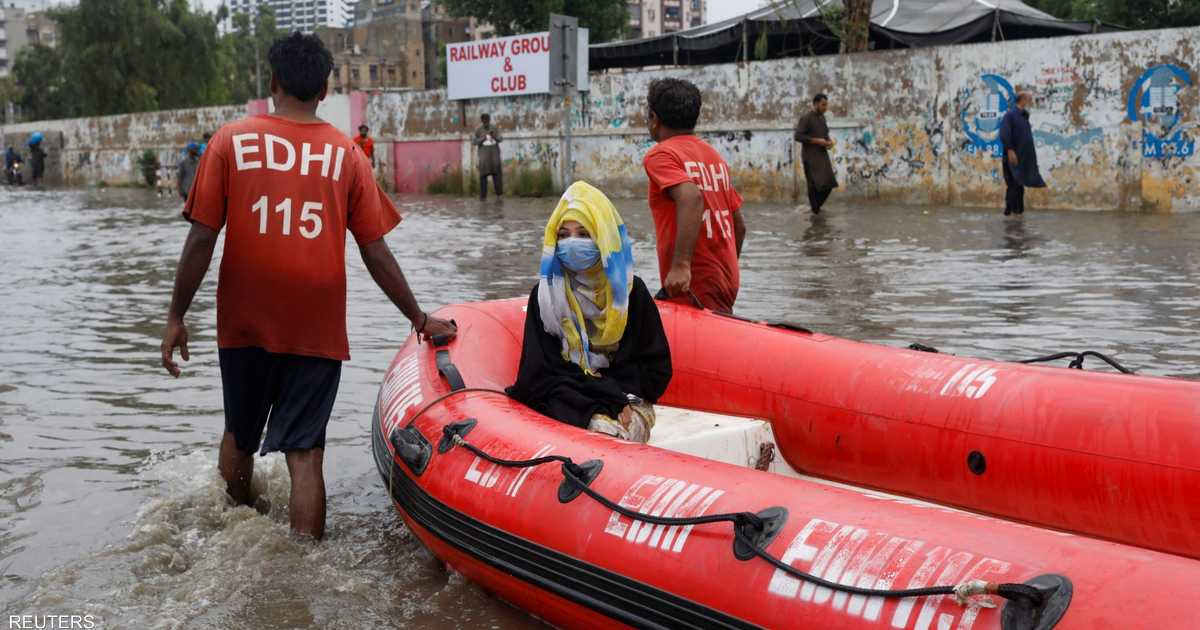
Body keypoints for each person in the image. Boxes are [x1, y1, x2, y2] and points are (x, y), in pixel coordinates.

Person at [159, 32, 456, 540]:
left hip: (245, 317)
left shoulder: (231, 140)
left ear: (272, 82)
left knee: (239, 433)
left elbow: (202, 237)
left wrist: (175, 316)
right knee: (305, 452)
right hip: (315, 323)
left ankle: (235, 537)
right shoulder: (347, 156)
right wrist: (418, 318)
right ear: (324, 90)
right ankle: (304, 573)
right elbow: (375, 250)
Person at [507, 181, 671, 442]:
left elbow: (655, 370)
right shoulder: (546, 294)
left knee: (616, 435)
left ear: (603, 237)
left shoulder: (630, 292)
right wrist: (598, 395)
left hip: (627, 398)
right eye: (563, 235)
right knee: (596, 430)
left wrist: (618, 397)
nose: (572, 244)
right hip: (568, 398)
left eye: (584, 234)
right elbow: (537, 374)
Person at [643, 78, 745, 314]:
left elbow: (691, 197)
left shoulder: (661, 155)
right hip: (726, 279)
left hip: (690, 283)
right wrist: (725, 269)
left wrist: (681, 266)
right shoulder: (713, 156)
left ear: (654, 119)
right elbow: (739, 227)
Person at [998, 91, 1046, 216]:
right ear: (1023, 100)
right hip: (1012, 157)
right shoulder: (1010, 115)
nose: (1030, 101)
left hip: (1023, 158)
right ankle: (1014, 214)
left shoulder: (1024, 116)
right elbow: (1004, 133)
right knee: (1014, 185)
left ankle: (1012, 214)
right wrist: (1010, 150)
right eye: (1029, 98)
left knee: (1019, 185)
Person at [794, 94, 838, 214]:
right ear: (815, 104)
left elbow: (825, 134)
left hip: (822, 155)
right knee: (813, 186)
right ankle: (815, 212)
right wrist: (816, 141)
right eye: (823, 105)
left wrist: (828, 142)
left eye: (826, 105)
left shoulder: (822, 118)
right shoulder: (806, 118)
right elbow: (798, 136)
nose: (825, 107)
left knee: (829, 183)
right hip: (810, 157)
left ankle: (814, 208)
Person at [473, 113, 502, 200]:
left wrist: (494, 137)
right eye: (484, 121)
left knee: (497, 177)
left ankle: (499, 196)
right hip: (484, 159)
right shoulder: (478, 130)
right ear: (482, 121)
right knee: (483, 177)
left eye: (487, 120)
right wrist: (483, 138)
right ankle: (483, 197)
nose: (486, 122)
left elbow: (501, 139)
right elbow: (474, 142)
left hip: (494, 157)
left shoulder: (494, 128)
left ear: (489, 120)